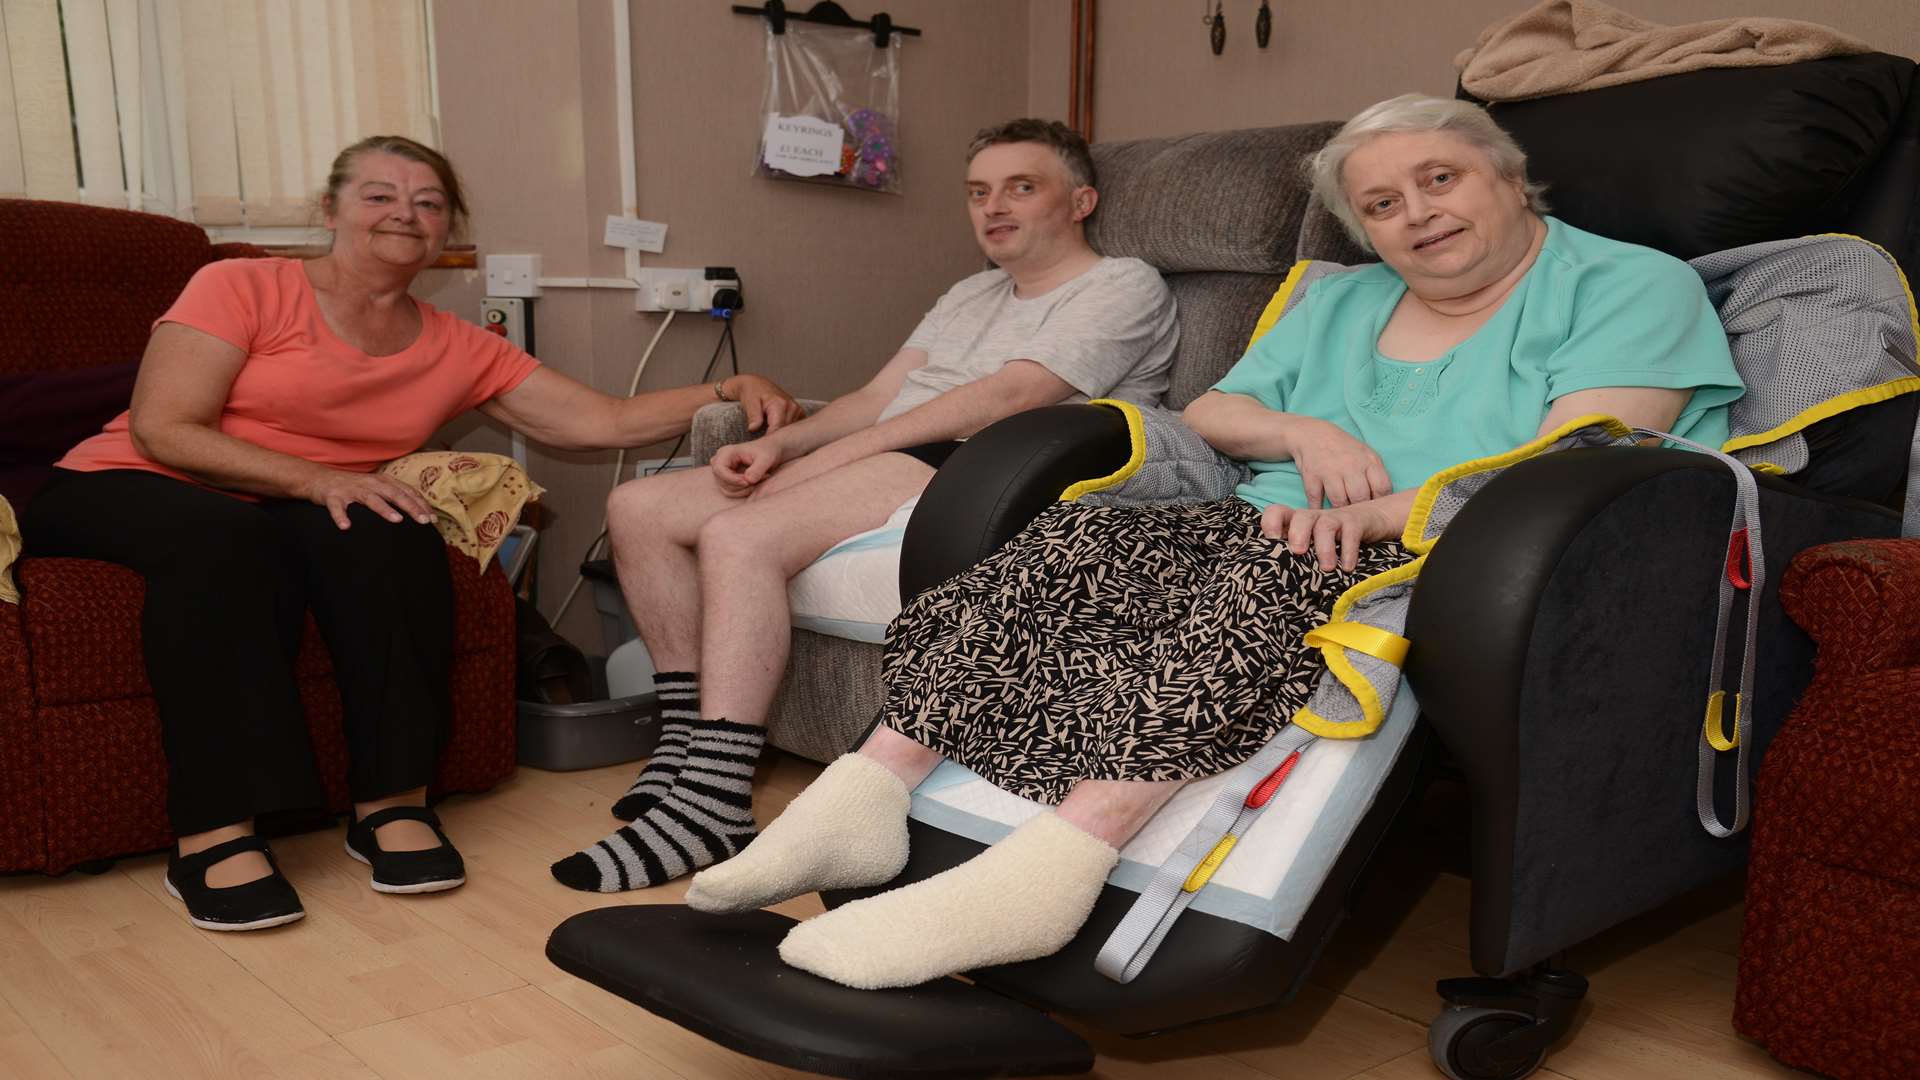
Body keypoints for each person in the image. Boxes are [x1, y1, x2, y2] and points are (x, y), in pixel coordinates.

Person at [674, 93, 1747, 990]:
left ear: (1510, 179)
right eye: (1380, 204)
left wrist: (1370, 511)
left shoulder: (1624, 283)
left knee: (1263, 584)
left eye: (1440, 180)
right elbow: (1221, 414)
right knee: (1069, 548)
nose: (1414, 215)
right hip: (1261, 510)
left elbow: (1588, 450)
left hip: (1466, 546)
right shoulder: (1341, 301)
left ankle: (1055, 869)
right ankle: (866, 795)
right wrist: (1303, 429)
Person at [21, 135, 801, 933]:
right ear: (330, 211)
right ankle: (215, 834)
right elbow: (164, 427)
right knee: (232, 543)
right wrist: (318, 478)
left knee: (399, 532)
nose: (406, 212)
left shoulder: (456, 345)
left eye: (428, 202)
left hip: (285, 506)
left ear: (445, 231)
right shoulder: (241, 285)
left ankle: (391, 803)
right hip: (127, 484)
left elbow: (603, 419)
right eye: (380, 195)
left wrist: (730, 383)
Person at [549, 118, 1181, 893]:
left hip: (982, 466)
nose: (994, 206)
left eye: (1023, 186)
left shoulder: (1124, 283)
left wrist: (843, 455)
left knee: (738, 534)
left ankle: (713, 802)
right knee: (637, 507)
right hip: (895, 450)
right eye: (978, 192)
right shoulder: (970, 290)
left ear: (1080, 199)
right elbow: (879, 395)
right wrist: (790, 444)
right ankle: (684, 746)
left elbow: (1015, 394)